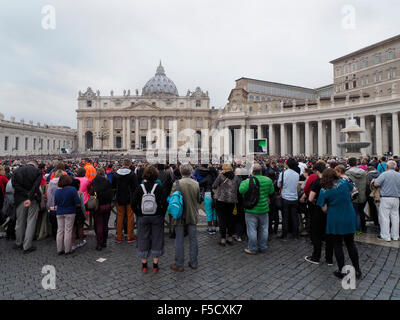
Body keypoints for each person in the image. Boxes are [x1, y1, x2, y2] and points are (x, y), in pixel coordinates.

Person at [317, 168, 362, 280]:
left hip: (335, 217)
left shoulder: (324, 190)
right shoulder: (343, 182)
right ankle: (357, 270)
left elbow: (324, 209)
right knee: (350, 243)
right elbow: (354, 189)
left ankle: (342, 270)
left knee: (337, 244)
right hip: (348, 214)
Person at [131, 165, 165, 273]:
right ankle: (155, 265)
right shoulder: (159, 187)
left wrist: (139, 214)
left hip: (143, 217)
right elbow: (164, 203)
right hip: (157, 216)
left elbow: (133, 204)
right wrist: (161, 214)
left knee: (143, 238)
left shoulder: (140, 187)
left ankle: (144, 265)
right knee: (157, 238)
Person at [239, 164, 274, 255]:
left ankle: (252, 248)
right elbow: (271, 192)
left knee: (252, 230)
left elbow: (241, 191)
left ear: (252, 172)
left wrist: (245, 181)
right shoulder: (268, 180)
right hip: (264, 208)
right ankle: (263, 247)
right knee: (264, 229)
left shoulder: (247, 181)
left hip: (251, 209)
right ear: (261, 171)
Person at [170, 164, 200, 272]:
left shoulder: (176, 183)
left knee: (179, 240)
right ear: (191, 172)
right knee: (193, 240)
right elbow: (198, 199)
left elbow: (172, 198)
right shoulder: (196, 184)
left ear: (181, 172)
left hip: (180, 215)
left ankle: (179, 264)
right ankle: (194, 263)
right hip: (192, 214)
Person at [304, 161, 333, 265]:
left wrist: (318, 201)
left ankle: (316, 257)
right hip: (329, 211)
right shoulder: (331, 181)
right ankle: (329, 259)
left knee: (316, 235)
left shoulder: (317, 182)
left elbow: (311, 198)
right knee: (328, 235)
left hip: (317, 211)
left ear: (316, 171)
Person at [12, 160, 43, 254]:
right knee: (31, 221)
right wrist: (30, 195)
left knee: (20, 222)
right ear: (36, 165)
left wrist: (25, 193)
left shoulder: (17, 171)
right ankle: (27, 246)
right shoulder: (38, 172)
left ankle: (19, 242)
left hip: (20, 199)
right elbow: (36, 186)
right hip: (32, 199)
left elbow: (15, 185)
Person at [212, 163, 240, 246]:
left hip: (221, 200)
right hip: (232, 201)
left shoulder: (221, 176)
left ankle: (223, 239)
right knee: (230, 219)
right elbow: (237, 187)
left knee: (222, 220)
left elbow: (214, 185)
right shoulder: (236, 177)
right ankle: (230, 237)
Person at [112, 159, 138, 244]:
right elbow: (135, 187)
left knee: (120, 216)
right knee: (130, 217)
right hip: (130, 198)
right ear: (130, 165)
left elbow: (113, 186)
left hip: (119, 197)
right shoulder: (132, 174)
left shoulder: (116, 174)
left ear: (122, 164)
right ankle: (130, 236)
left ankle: (119, 236)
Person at [374, 160, 400, 242]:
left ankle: (385, 236)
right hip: (396, 198)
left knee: (384, 218)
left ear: (387, 167)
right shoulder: (399, 175)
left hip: (385, 198)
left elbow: (376, 184)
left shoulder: (384, 174)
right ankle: (395, 236)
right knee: (395, 217)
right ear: (395, 167)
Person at [54, 175, 81, 255]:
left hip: (59, 211)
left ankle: (59, 249)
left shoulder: (57, 191)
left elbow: (55, 202)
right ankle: (67, 249)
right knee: (68, 230)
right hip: (70, 211)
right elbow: (77, 201)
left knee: (60, 230)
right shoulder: (72, 189)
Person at [277, 158, 300, 240]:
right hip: (294, 198)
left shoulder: (283, 173)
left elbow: (279, 185)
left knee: (285, 217)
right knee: (294, 217)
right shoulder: (297, 174)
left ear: (287, 165)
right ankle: (295, 235)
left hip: (285, 197)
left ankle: (285, 235)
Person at [92, 169, 114, 250]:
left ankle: (99, 243)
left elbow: (93, 192)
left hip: (98, 205)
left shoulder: (94, 181)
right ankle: (104, 241)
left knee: (99, 225)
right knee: (105, 224)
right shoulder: (107, 181)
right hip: (107, 205)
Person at [346, 157, 368, 233]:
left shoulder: (347, 173)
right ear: (357, 163)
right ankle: (363, 227)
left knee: (355, 212)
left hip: (353, 195)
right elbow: (367, 184)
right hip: (362, 195)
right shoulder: (364, 172)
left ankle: (356, 229)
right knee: (361, 211)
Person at [198, 164, 217, 235]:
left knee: (209, 212)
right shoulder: (217, 177)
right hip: (215, 195)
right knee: (214, 212)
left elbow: (200, 183)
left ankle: (210, 228)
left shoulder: (207, 177)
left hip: (208, 194)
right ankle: (214, 228)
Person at [46, 169, 64, 238]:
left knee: (54, 224)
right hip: (61, 206)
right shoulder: (63, 183)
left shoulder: (50, 183)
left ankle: (55, 236)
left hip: (52, 206)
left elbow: (49, 194)